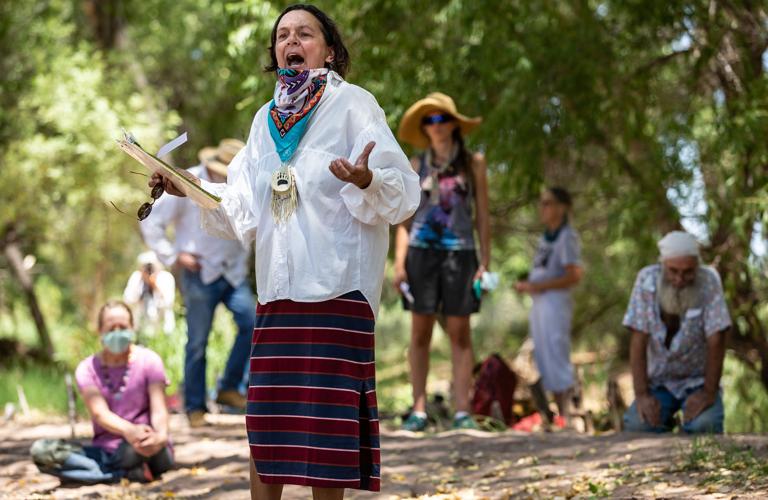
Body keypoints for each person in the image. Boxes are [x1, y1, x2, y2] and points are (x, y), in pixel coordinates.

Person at [148, 4, 420, 498]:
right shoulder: (264, 121)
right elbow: (239, 209)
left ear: (330, 51)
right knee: (267, 430)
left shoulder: (354, 105)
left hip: (338, 291)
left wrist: (367, 178)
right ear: (275, 53)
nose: (291, 42)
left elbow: (403, 191)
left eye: (305, 34)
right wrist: (186, 188)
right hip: (278, 295)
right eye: (282, 36)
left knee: (327, 442)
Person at [140, 138, 256, 426]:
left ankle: (229, 387)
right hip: (199, 273)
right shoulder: (185, 182)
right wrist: (173, 255)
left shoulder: (242, 185)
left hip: (232, 273)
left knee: (252, 323)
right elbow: (151, 221)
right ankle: (195, 407)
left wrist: (242, 265)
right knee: (197, 342)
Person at [393, 92, 490, 431]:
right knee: (420, 332)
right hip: (421, 252)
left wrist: (485, 261)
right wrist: (399, 262)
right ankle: (418, 409)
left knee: (460, 332)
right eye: (429, 120)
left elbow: (482, 216)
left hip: (461, 253)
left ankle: (463, 410)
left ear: (453, 124)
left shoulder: (473, 164)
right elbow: (404, 218)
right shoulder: (415, 165)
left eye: (441, 119)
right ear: (424, 128)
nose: (436, 126)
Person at [35, 300, 173, 483]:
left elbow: (159, 409)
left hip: (149, 445)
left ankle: (107, 473)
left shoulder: (150, 360)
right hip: (108, 450)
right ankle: (125, 474)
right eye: (111, 328)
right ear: (100, 331)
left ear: (132, 328)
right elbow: (99, 413)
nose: (117, 332)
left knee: (132, 450)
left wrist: (161, 437)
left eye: (123, 326)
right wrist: (129, 431)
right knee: (42, 451)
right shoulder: (87, 368)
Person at [623, 230, 730, 433]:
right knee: (638, 426)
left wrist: (708, 392)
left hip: (698, 382)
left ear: (697, 267)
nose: (680, 278)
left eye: (688, 271)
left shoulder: (709, 280)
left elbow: (717, 339)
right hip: (658, 382)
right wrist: (642, 395)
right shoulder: (646, 279)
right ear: (662, 265)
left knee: (704, 427)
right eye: (673, 271)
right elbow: (638, 339)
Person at [515, 187, 583, 426]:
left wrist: (541, 285)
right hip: (540, 303)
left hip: (555, 302)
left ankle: (568, 414)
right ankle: (557, 416)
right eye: (541, 203)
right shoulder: (547, 236)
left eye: (548, 203)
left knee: (557, 352)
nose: (542, 208)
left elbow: (574, 275)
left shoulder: (567, 237)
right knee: (543, 356)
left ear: (562, 207)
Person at [122, 251, 176, 335]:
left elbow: (168, 303)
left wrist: (154, 285)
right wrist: (141, 282)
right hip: (141, 326)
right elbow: (127, 300)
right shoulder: (136, 277)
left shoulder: (166, 277)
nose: (149, 270)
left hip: (162, 328)